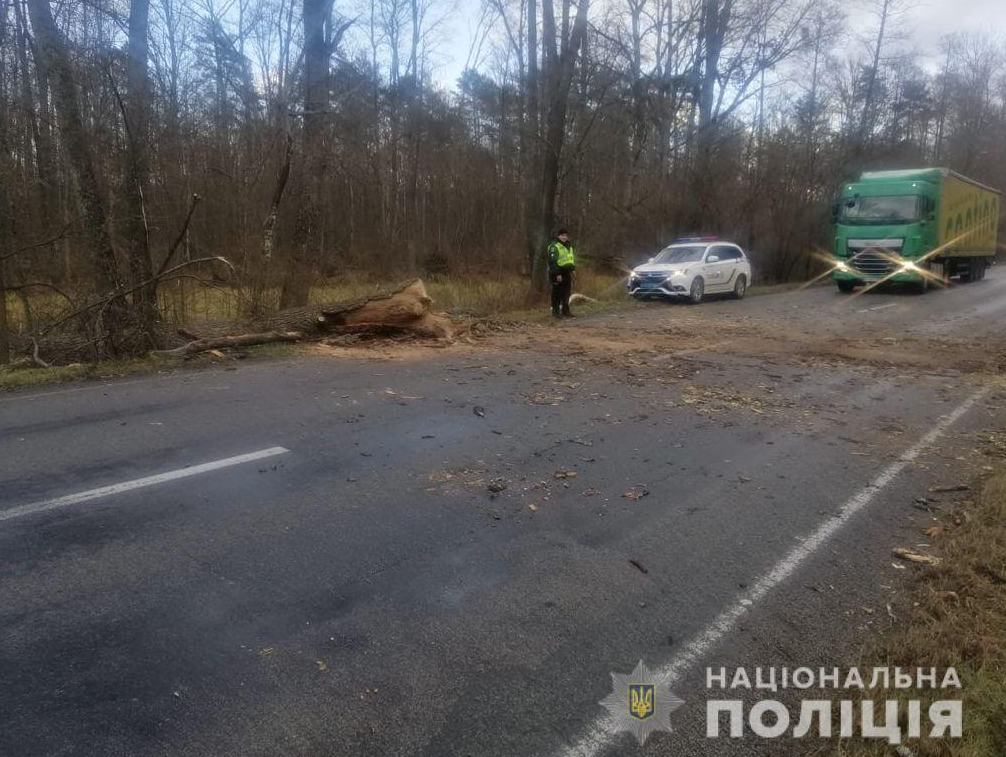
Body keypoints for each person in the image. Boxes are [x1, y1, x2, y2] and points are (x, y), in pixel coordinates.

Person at [547, 228, 576, 318]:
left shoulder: (569, 246)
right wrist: (557, 274)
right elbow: (552, 261)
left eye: (566, 235)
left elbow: (570, 259)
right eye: (562, 235)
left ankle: (565, 311)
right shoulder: (554, 246)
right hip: (557, 273)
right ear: (558, 236)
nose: (564, 237)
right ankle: (555, 312)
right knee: (557, 293)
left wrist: (572, 269)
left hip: (566, 272)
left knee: (566, 292)